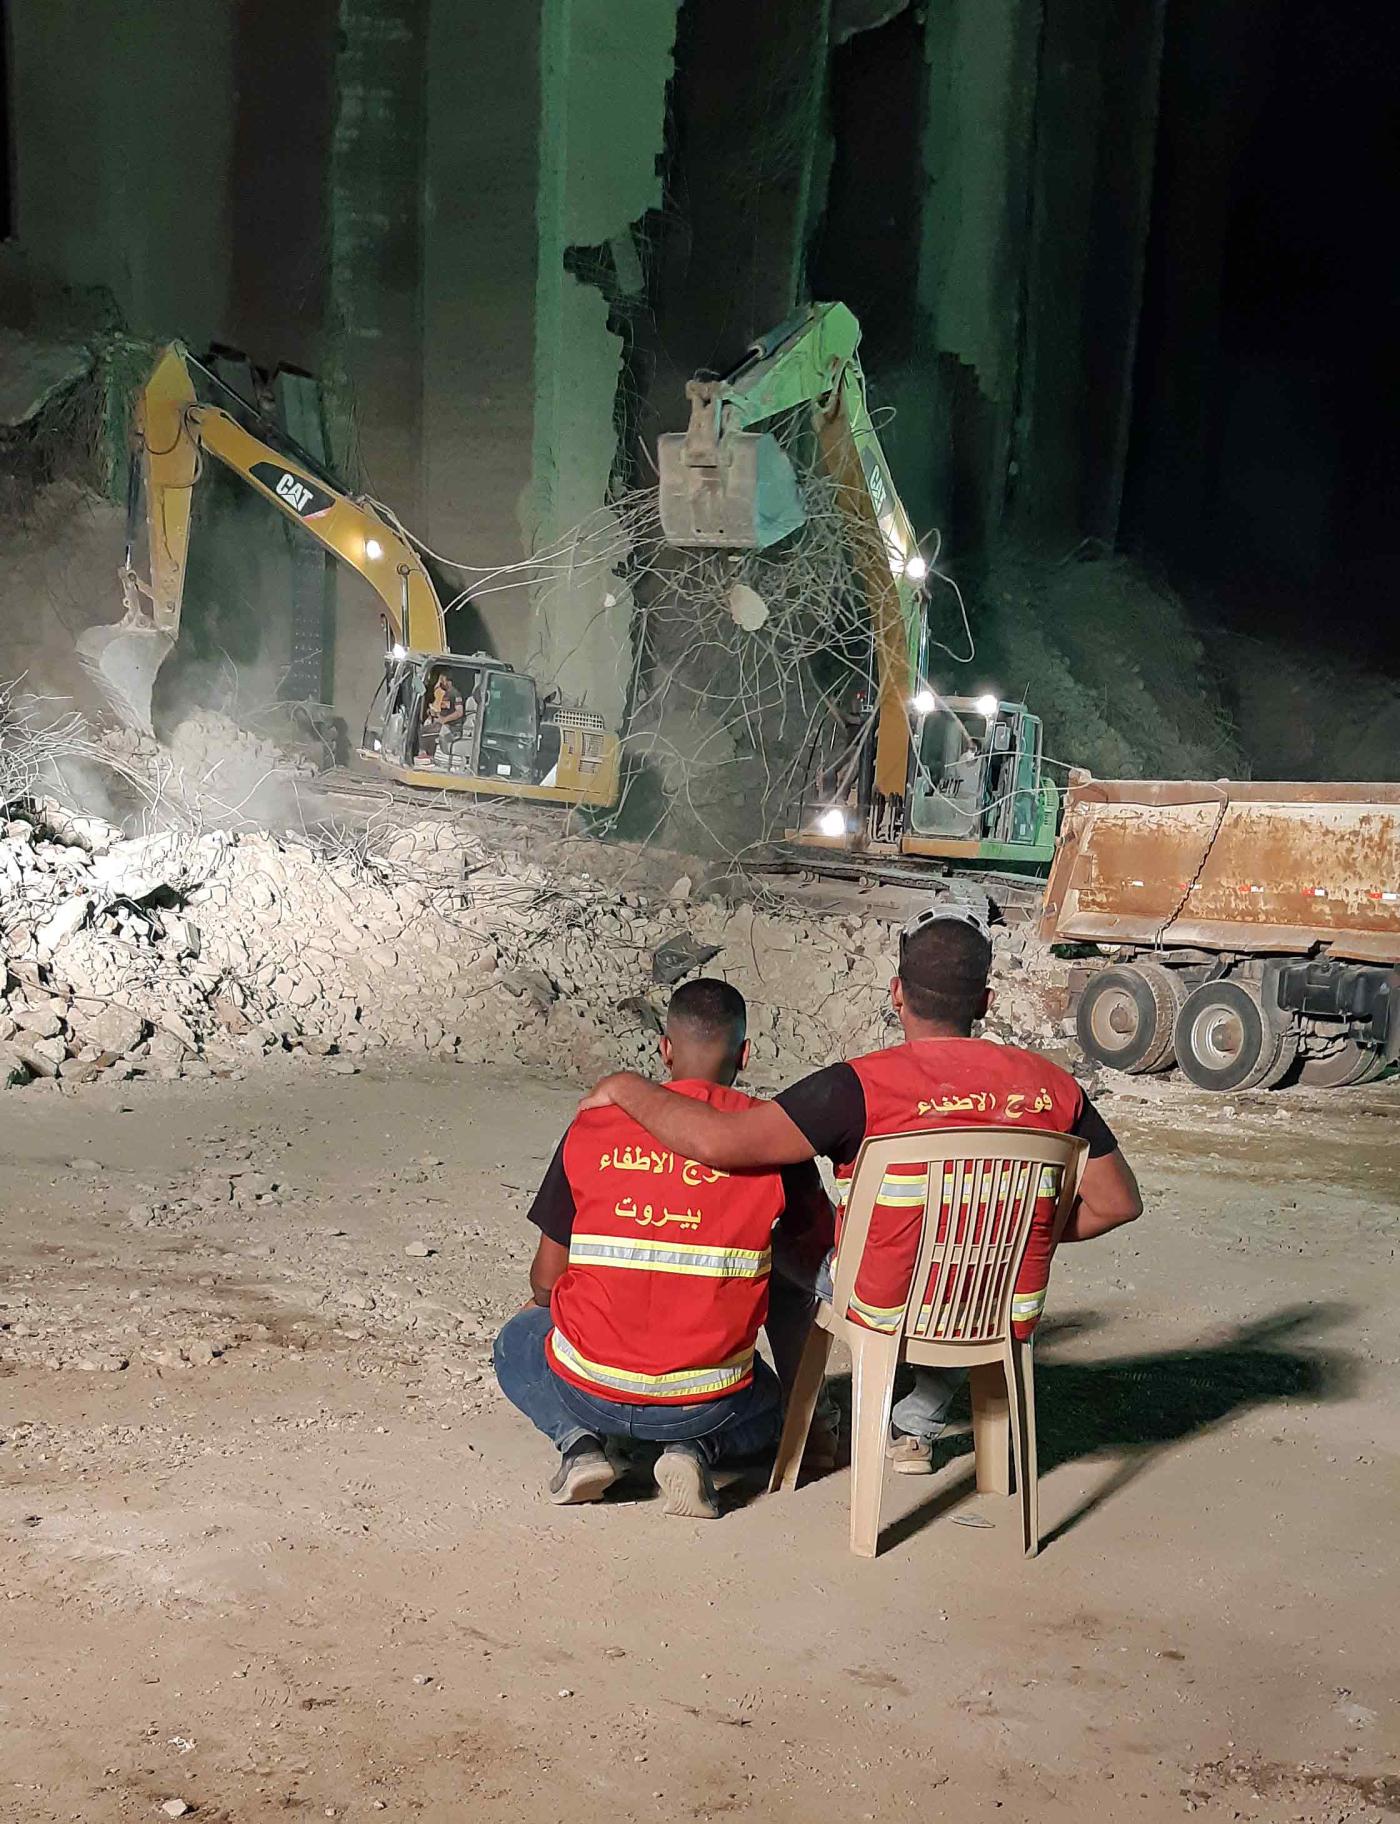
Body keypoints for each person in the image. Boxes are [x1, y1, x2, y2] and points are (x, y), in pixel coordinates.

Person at [578, 906, 1143, 1474]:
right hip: (994, 1298)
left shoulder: (857, 1089)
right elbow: (1118, 1203)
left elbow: (722, 1143)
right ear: (984, 1002)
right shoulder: (1056, 1089)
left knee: (777, 1258)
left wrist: (629, 1087)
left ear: (897, 993)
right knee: (961, 1283)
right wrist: (1007, 1236)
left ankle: (814, 1424)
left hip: (883, 1301)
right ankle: (919, 1418)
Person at [493, 979, 834, 1518]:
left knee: (517, 1339)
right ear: (745, 1055)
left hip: (590, 1387)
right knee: (773, 1406)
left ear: (665, 1049)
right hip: (706, 1399)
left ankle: (579, 1446)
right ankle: (695, 1449)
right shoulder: (770, 1140)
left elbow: (545, 1280)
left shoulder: (594, 1124)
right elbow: (813, 1272)